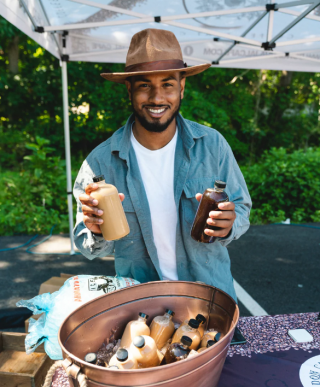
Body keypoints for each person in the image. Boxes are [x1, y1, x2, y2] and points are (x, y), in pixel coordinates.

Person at [73, 29, 252, 301]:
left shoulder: (212, 145)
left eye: (167, 84)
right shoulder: (100, 162)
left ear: (181, 88)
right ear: (129, 88)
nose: (157, 98)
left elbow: (241, 206)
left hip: (210, 298)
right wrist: (95, 229)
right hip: (140, 304)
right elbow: (88, 247)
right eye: (145, 85)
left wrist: (230, 223)